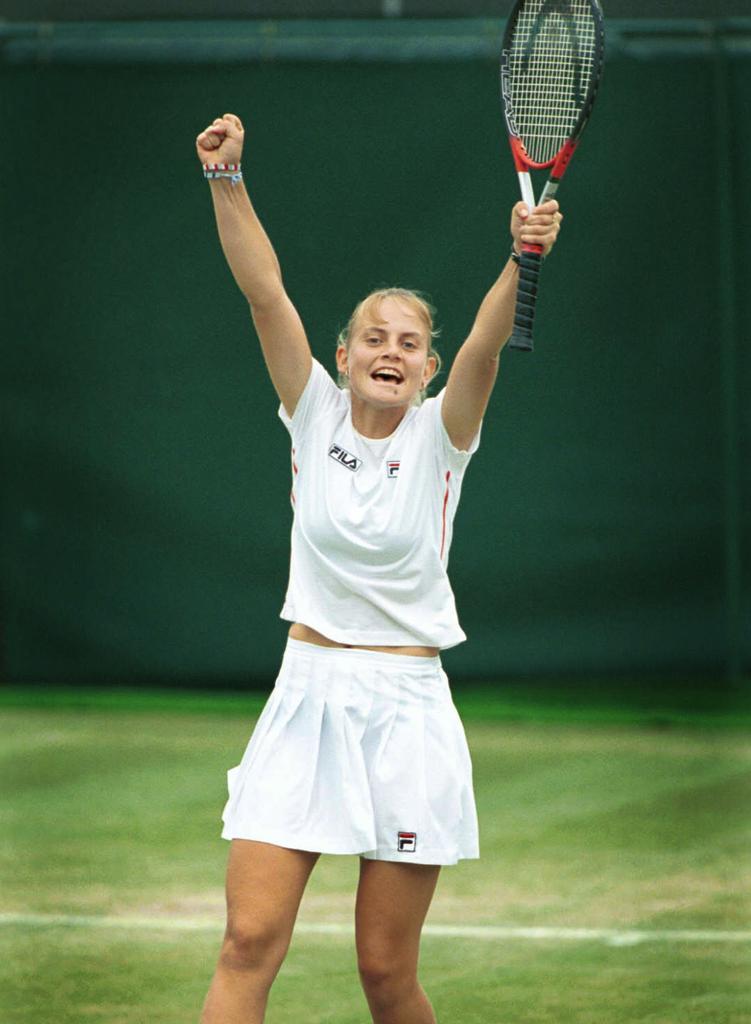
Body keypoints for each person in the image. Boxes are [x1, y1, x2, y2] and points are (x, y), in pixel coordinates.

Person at [195, 112, 562, 1024]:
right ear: (343, 356)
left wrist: (522, 259)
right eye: (374, 336)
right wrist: (226, 178)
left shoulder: (444, 434)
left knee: (385, 975)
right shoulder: (310, 413)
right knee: (247, 944)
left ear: (427, 368)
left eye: (409, 342)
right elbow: (265, 294)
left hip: (407, 713)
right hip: (307, 692)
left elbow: (484, 345)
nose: (390, 350)